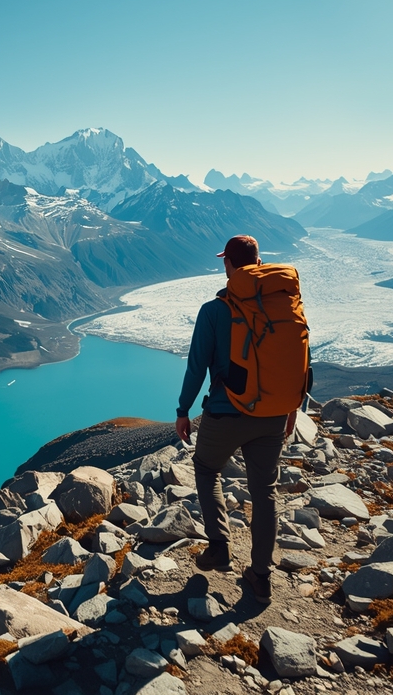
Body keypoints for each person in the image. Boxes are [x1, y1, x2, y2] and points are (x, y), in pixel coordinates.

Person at [174, 234, 298, 604]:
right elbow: (291, 361)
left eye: (223, 261)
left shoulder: (215, 310)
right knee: (265, 491)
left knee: (206, 467)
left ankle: (219, 546)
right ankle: (261, 576)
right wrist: (291, 407)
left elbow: (197, 367)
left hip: (227, 413)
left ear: (228, 263)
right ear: (259, 263)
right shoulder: (283, 301)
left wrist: (183, 410)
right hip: (274, 414)